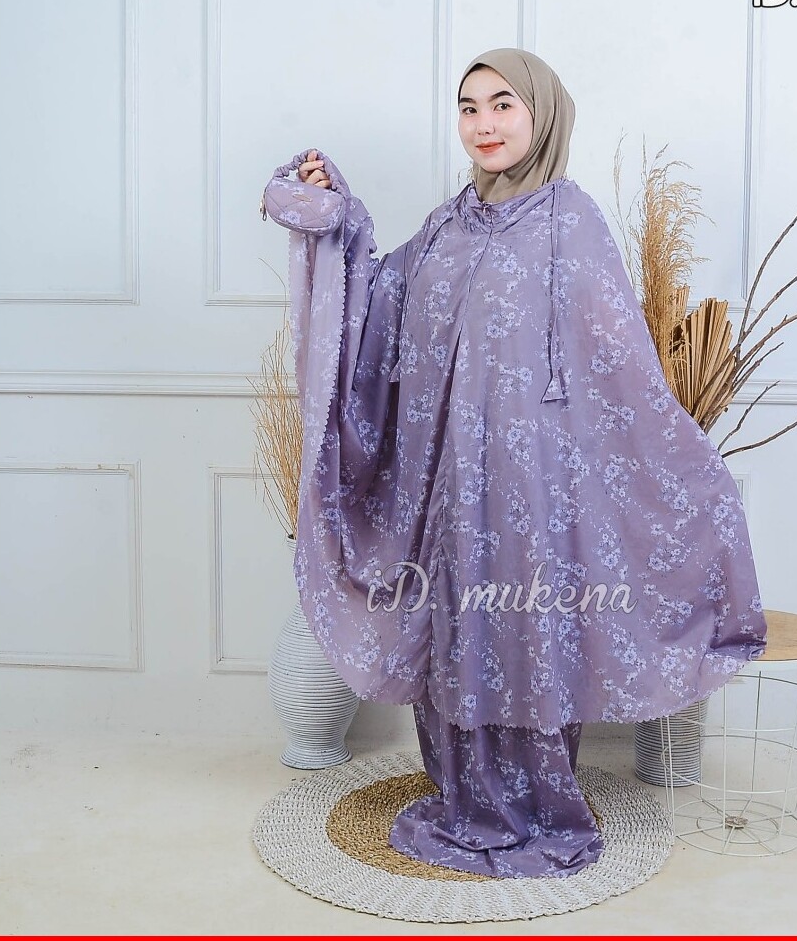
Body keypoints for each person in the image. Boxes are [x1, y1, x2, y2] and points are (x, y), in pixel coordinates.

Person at [262, 47, 767, 879]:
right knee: (455, 631)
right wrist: (337, 218)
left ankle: (535, 804)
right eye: (468, 108)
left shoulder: (573, 223)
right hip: (447, 488)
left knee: (528, 633)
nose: (484, 124)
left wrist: (676, 469)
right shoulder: (448, 225)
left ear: (542, 113)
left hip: (539, 492)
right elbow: (379, 307)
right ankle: (464, 795)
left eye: (503, 104)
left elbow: (623, 370)